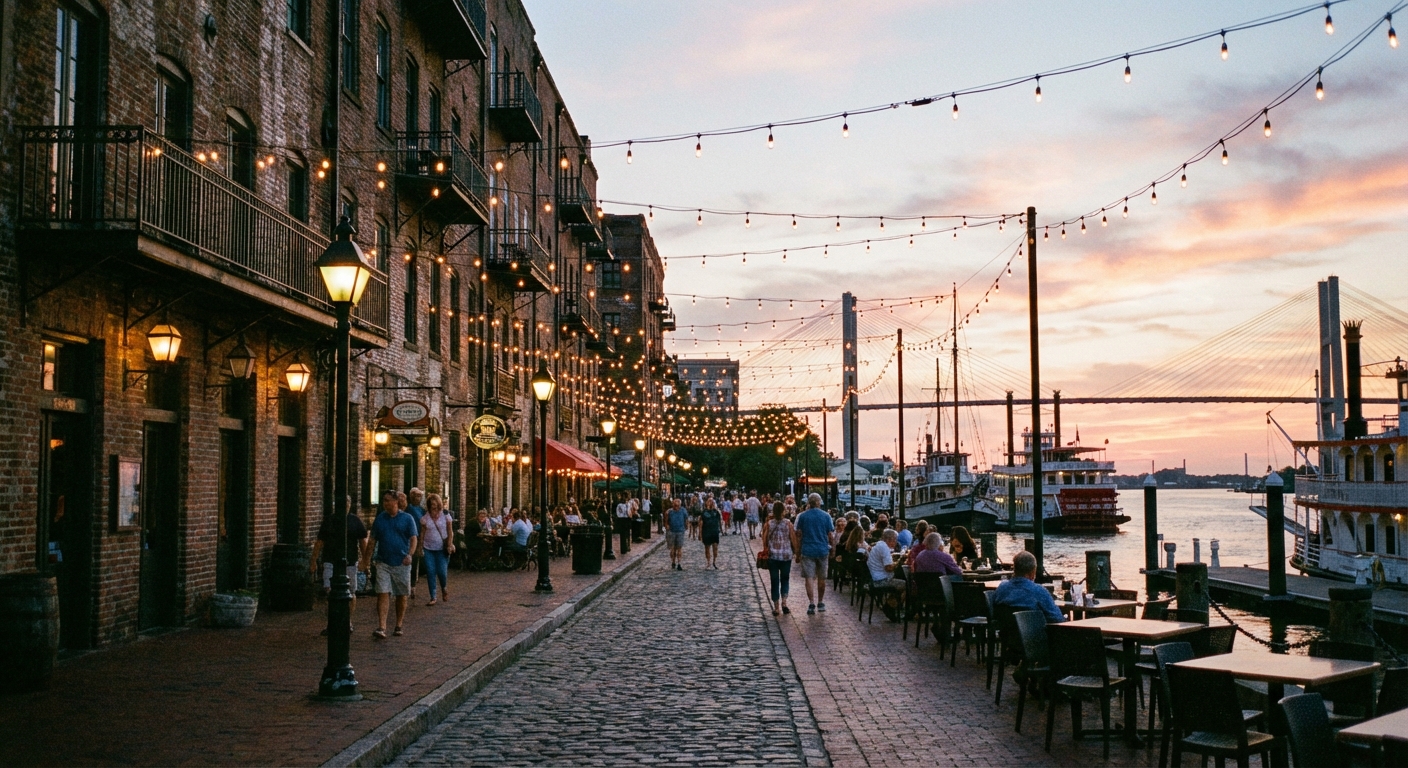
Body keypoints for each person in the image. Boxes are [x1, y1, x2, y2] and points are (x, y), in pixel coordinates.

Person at [310, 499, 369, 636]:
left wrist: (365, 561)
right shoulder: (329, 520)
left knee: (351, 592)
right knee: (329, 591)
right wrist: (313, 560)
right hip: (330, 560)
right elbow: (320, 542)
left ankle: (347, 621)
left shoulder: (355, 521)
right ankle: (332, 622)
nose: (345, 505)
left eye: (348, 503)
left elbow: (362, 541)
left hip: (350, 561)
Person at [367, 489, 419, 639]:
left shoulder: (407, 518)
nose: (386, 503)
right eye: (384, 501)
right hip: (383, 561)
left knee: (401, 595)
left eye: (388, 500)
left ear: (396, 502)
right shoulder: (380, 519)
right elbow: (372, 540)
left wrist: (410, 554)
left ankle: (398, 624)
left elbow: (413, 537)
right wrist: (367, 560)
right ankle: (382, 626)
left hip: (402, 562)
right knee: (382, 592)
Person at [993, 551, 1065, 624]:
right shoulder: (1039, 591)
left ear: (1014, 569)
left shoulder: (1001, 588)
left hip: (1006, 633)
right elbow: (1057, 618)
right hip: (1034, 634)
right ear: (1033, 572)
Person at [793, 493, 832, 616]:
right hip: (822, 549)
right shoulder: (826, 516)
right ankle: (820, 602)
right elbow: (830, 535)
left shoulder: (803, 516)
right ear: (819, 502)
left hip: (807, 549)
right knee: (822, 578)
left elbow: (799, 535)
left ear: (809, 503)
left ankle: (811, 603)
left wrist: (797, 552)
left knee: (809, 578)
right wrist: (833, 550)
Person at [419, 494, 454, 606]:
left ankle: (444, 588)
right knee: (430, 571)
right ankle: (433, 596)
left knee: (442, 572)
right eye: (431, 504)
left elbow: (450, 532)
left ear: (438, 504)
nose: (433, 506)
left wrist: (449, 544)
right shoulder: (425, 518)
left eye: (435, 504)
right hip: (428, 548)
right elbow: (422, 534)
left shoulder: (445, 515)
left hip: (441, 548)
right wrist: (420, 547)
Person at [762, 501, 795, 616]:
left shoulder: (769, 524)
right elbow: (793, 538)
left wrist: (766, 548)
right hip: (786, 555)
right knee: (785, 579)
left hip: (773, 556)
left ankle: (776, 607)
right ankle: (784, 603)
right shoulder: (788, 523)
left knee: (774, 581)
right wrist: (797, 552)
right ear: (783, 511)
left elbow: (765, 539)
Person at [866, 529, 905, 620]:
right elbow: (888, 568)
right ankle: (890, 607)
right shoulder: (884, 548)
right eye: (895, 540)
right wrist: (899, 562)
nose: (896, 542)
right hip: (881, 580)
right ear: (891, 539)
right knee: (908, 586)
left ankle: (890, 604)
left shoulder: (879, 545)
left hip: (875, 578)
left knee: (901, 583)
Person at [699, 497, 723, 568]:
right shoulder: (704, 512)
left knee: (715, 547)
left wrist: (721, 530)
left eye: (712, 502)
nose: (711, 503)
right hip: (706, 532)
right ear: (707, 503)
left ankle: (714, 561)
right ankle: (708, 562)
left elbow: (719, 521)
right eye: (709, 501)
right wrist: (700, 534)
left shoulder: (716, 512)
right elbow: (701, 523)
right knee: (707, 548)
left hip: (714, 531)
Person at [665, 498, 688, 570]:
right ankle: (673, 561)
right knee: (672, 548)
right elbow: (666, 520)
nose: (676, 506)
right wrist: (667, 526)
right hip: (672, 531)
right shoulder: (670, 511)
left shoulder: (683, 510)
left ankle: (679, 563)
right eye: (675, 505)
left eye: (677, 505)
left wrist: (686, 526)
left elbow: (686, 519)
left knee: (679, 548)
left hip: (680, 531)